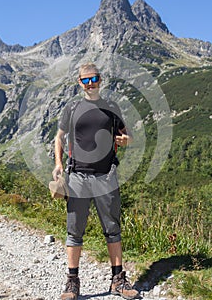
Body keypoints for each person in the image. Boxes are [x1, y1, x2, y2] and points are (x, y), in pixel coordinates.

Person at [52, 63, 139, 300]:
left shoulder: (111, 107)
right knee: (74, 231)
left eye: (94, 79)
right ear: (79, 82)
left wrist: (126, 141)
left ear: (101, 80)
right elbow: (59, 138)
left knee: (113, 229)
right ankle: (72, 283)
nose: (91, 84)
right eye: (86, 80)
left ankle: (118, 281)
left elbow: (128, 135)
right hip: (77, 175)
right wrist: (59, 164)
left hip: (106, 175)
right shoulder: (72, 108)